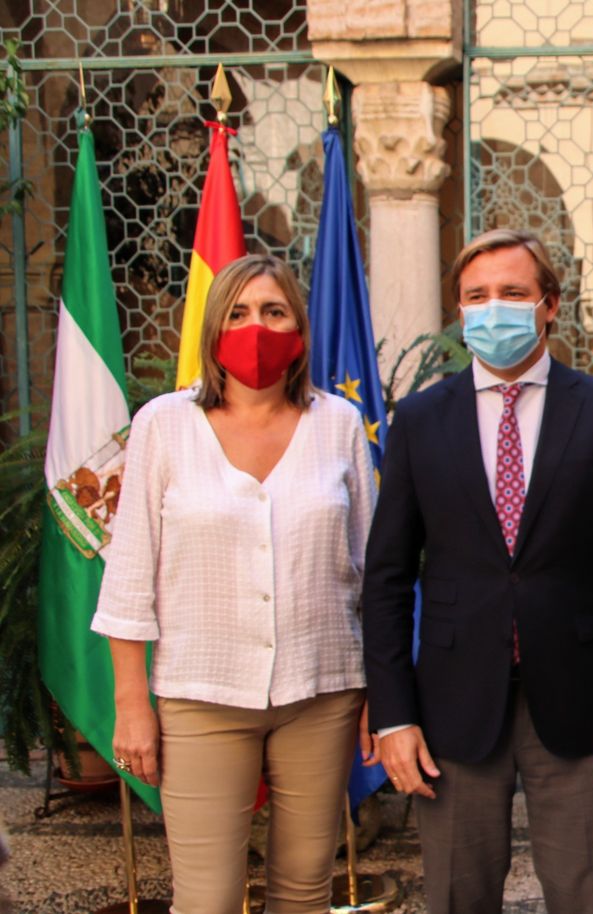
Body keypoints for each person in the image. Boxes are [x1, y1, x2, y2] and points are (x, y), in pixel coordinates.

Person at [363, 228, 593, 914]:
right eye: (476, 297)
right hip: (451, 702)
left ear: (549, 304)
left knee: (589, 893)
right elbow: (386, 576)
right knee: (456, 895)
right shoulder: (417, 420)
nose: (492, 309)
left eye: (512, 293)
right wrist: (392, 716)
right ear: (458, 309)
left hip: (583, 702)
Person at [93, 254, 375, 913]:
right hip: (203, 697)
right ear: (215, 328)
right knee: (208, 898)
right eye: (240, 313)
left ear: (299, 329)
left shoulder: (336, 424)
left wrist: (378, 689)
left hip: (324, 691)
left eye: (274, 312)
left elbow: (370, 569)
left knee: (305, 888)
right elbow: (130, 571)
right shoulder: (164, 424)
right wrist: (133, 704)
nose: (257, 326)